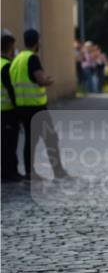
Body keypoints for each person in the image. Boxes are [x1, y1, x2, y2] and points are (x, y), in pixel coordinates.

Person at [9, 29, 68, 180]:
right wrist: (48, 80)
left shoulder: (17, 59)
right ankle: (58, 171)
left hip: (21, 107)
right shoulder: (32, 58)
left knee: (30, 140)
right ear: (36, 42)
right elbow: (40, 79)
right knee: (51, 138)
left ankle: (30, 173)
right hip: (36, 107)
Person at [1, 32, 21, 181]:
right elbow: (11, 90)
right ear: (10, 48)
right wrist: (18, 108)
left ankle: (6, 172)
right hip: (7, 111)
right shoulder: (6, 66)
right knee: (10, 143)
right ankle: (10, 173)